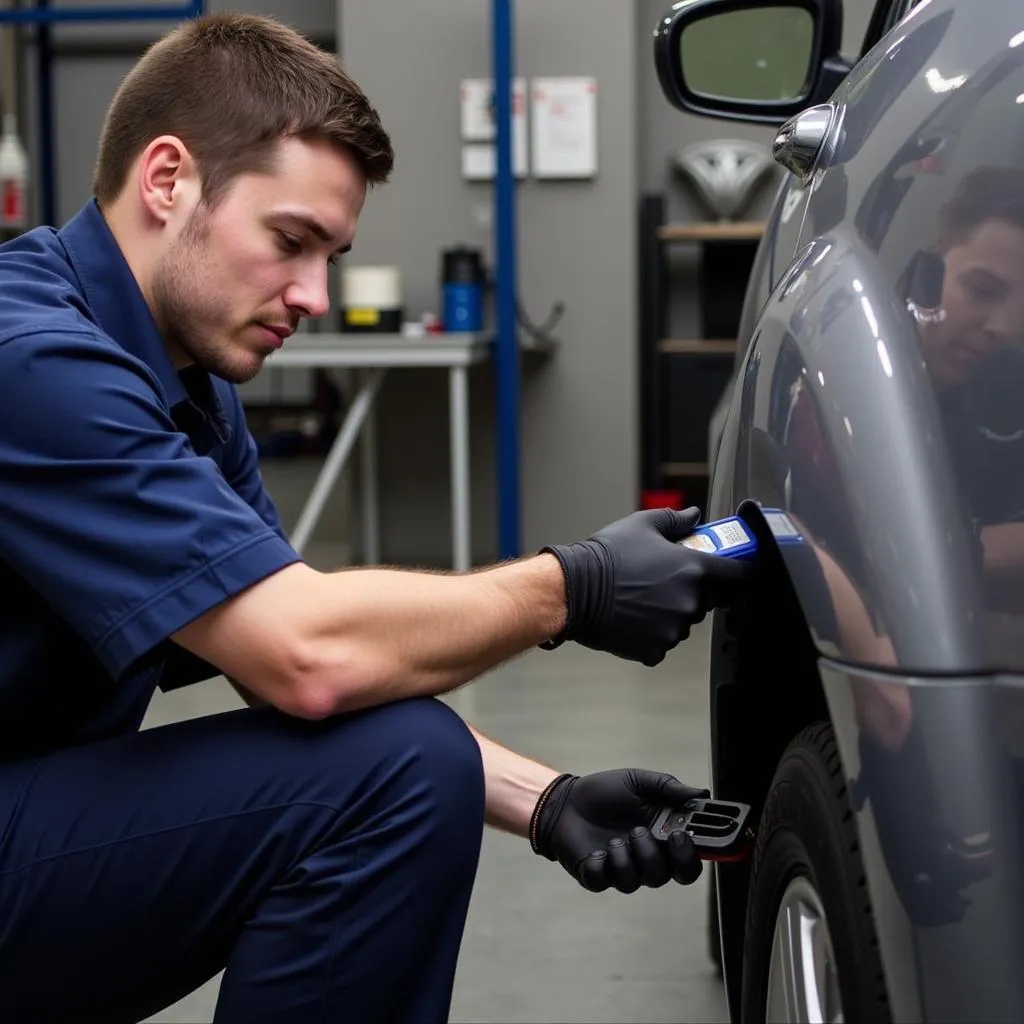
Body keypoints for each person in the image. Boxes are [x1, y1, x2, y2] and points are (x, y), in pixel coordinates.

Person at [0, 14, 748, 1023]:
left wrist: (549, 800)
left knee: (410, 751)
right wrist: (568, 587)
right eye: (290, 241)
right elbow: (309, 656)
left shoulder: (184, 384)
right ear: (168, 179)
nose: (314, 293)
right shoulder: (32, 356)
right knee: (397, 771)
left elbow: (297, 660)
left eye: (333, 254)